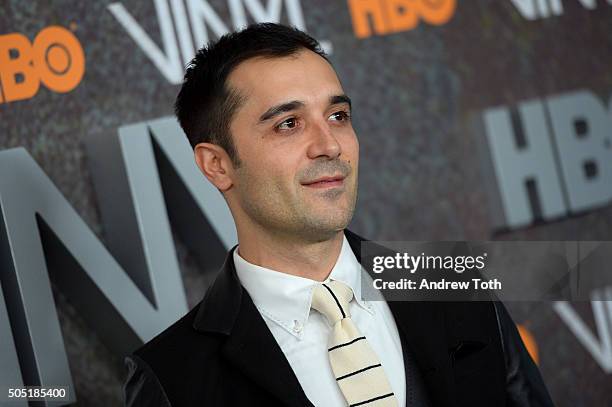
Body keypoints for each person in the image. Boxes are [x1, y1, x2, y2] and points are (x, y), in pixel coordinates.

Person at [123, 23, 554, 407]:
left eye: (338, 115)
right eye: (288, 124)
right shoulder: (172, 379)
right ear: (217, 165)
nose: (330, 144)